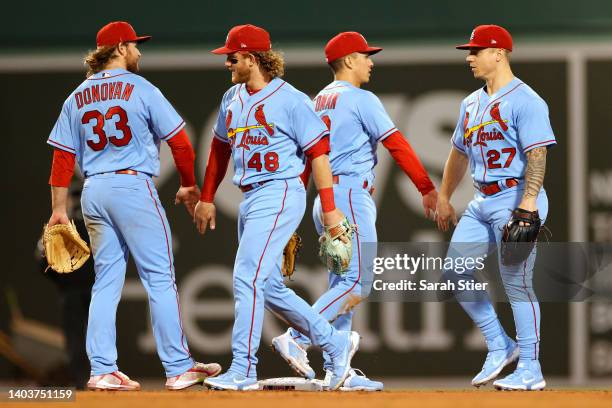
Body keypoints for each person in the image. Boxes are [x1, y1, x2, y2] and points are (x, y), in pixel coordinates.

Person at [46, 21, 221, 391]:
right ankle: (177, 366)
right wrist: (190, 184)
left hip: (93, 191)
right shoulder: (140, 87)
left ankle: (102, 370)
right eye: (136, 46)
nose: (139, 52)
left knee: (105, 282)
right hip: (131, 185)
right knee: (159, 277)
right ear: (121, 47)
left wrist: (58, 210)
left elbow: (62, 159)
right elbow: (181, 142)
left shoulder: (75, 96)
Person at [195, 24, 360, 391]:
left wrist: (330, 210)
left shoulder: (292, 100)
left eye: (232, 58)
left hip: (281, 190)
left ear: (252, 59)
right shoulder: (231, 99)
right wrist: (207, 197)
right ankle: (334, 342)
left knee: (246, 277)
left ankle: (244, 368)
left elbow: (318, 153)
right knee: (266, 284)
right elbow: (219, 150)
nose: (227, 64)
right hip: (250, 196)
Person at [271, 31, 438, 391]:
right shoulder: (361, 99)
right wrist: (427, 188)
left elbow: (306, 163)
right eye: (365, 56)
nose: (370, 61)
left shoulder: (316, 102)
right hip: (349, 196)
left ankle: (339, 370)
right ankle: (297, 337)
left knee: (340, 285)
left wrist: (297, 211)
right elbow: (397, 145)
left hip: (324, 199)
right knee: (357, 285)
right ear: (348, 61)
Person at [435, 25, 556, 390]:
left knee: (516, 283)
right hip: (481, 200)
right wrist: (444, 195)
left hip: (515, 195)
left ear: (499, 53)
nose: (470, 57)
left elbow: (537, 154)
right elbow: (458, 153)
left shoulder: (526, 100)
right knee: (455, 272)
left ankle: (531, 369)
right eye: (469, 51)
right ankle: (501, 344)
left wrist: (529, 203)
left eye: (476, 50)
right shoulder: (470, 103)